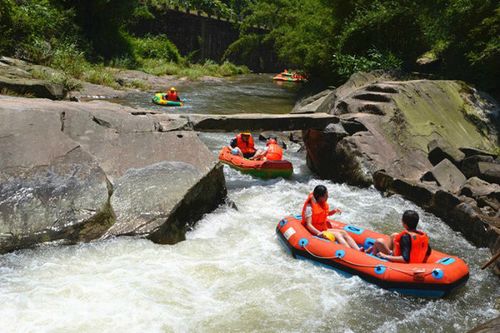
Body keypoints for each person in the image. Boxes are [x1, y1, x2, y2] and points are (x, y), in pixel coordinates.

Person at [302, 185, 361, 250]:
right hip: (314, 232)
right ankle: (351, 252)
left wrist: (333, 211)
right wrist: (318, 233)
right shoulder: (309, 207)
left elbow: (322, 214)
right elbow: (309, 224)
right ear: (320, 197)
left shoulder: (320, 203)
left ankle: (358, 250)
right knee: (338, 235)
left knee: (343, 232)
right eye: (326, 195)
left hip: (322, 229)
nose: (328, 197)